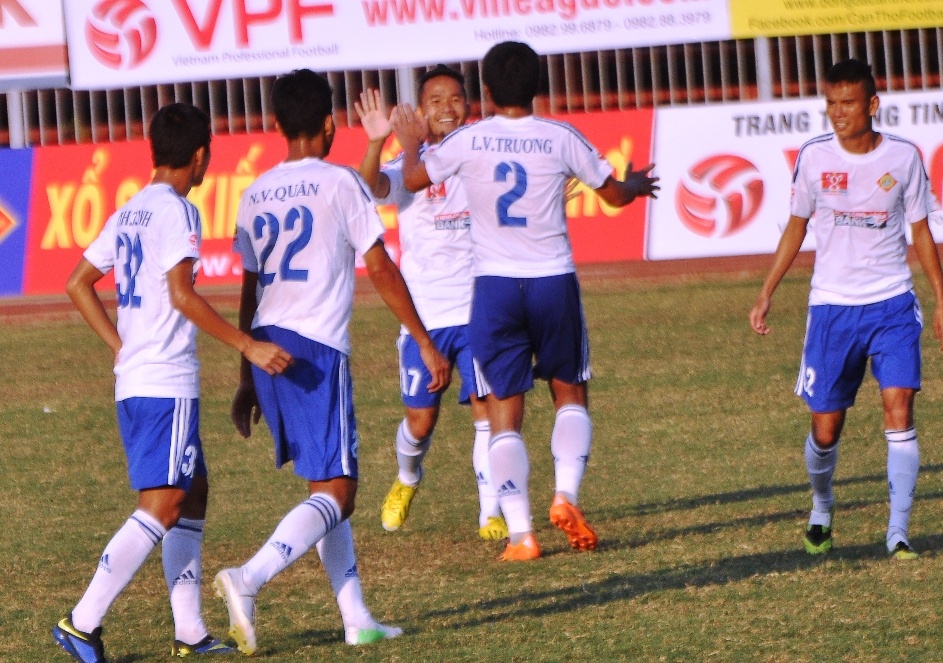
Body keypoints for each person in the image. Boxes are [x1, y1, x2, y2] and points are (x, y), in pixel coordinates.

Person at [391, 41, 659, 561]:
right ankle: (565, 495)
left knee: (502, 410)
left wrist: (409, 144)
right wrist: (633, 184)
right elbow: (613, 195)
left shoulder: (468, 140)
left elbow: (414, 177)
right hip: (552, 281)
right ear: (536, 87)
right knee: (570, 394)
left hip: (494, 289)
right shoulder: (561, 136)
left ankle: (521, 535)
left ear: (486, 92)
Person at [215, 68, 450, 655]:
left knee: (325, 484)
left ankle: (356, 618)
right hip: (315, 348)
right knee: (340, 491)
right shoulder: (340, 182)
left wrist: (245, 374)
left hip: (265, 342)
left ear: (277, 125)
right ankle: (248, 579)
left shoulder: (255, 192)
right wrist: (423, 340)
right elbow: (381, 267)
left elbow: (250, 288)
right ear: (329, 124)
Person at [55, 102, 293, 662]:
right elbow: (182, 296)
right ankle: (81, 622)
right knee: (164, 505)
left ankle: (190, 632)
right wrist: (248, 345)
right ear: (201, 156)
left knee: (193, 493)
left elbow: (77, 282)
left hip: (137, 378)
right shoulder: (180, 211)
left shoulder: (131, 210)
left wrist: (121, 347)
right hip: (164, 381)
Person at [748, 58, 943, 560]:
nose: (838, 113)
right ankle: (822, 506)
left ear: (872, 105)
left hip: (891, 303)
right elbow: (796, 226)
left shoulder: (904, 157)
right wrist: (766, 291)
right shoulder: (814, 157)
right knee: (826, 429)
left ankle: (898, 531)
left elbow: (921, 231)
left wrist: (942, 298)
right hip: (832, 309)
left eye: (848, 103)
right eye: (831, 103)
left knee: (899, 407)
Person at [354, 66, 507, 541]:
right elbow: (367, 186)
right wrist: (377, 143)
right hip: (424, 317)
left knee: (488, 410)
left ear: (469, 107)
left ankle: (490, 514)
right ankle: (407, 477)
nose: (446, 107)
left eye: (455, 99)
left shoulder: (481, 156)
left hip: (478, 309)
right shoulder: (406, 164)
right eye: (435, 100)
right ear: (420, 112)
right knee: (420, 422)